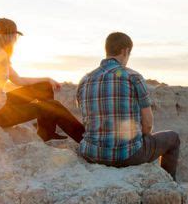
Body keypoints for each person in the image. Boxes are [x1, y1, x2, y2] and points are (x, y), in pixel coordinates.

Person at [77, 32, 180, 179]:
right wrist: (141, 138)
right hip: (127, 156)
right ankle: (171, 184)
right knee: (174, 138)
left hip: (91, 154)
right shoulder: (133, 77)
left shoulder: (85, 79)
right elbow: (148, 124)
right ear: (125, 51)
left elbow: (87, 118)